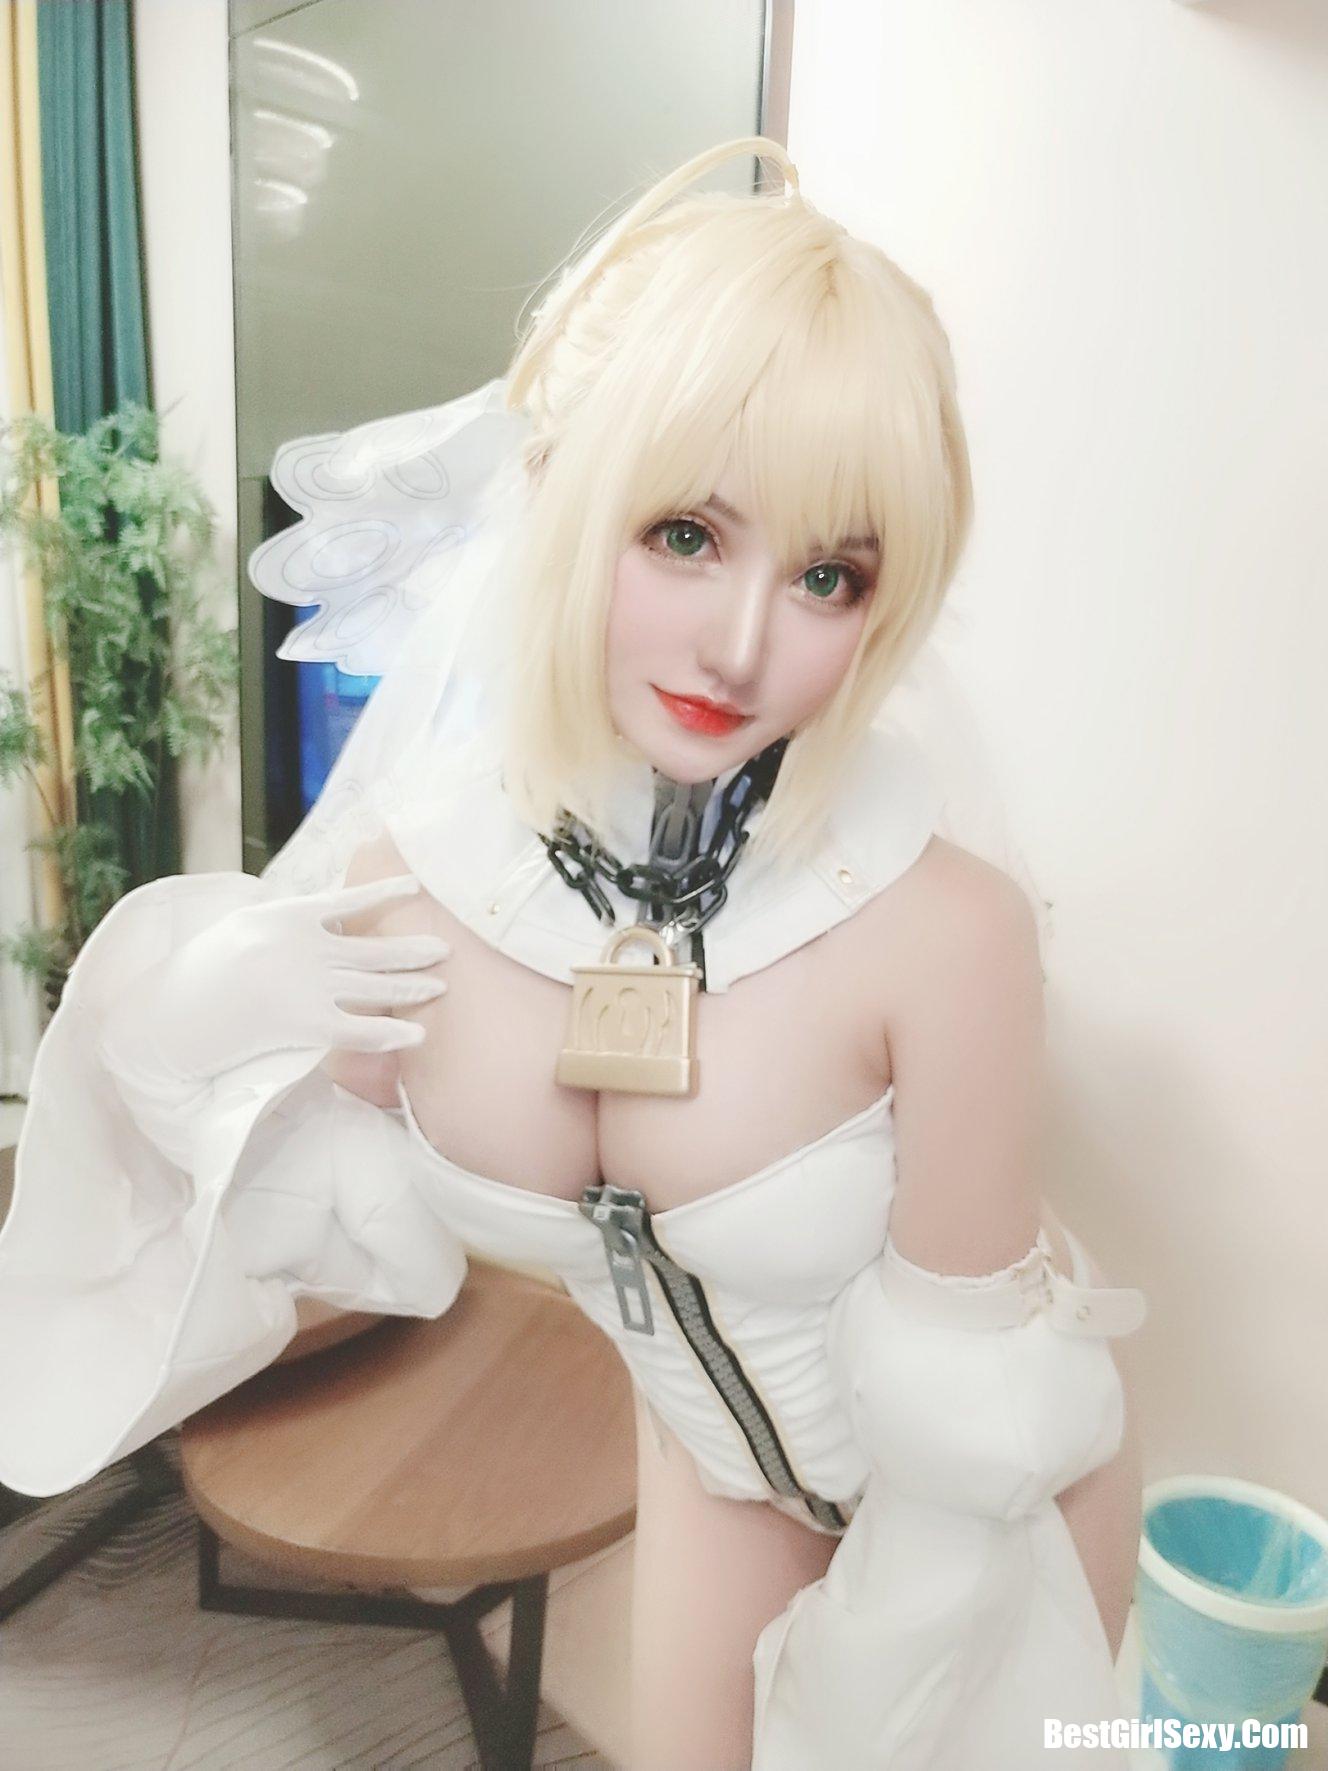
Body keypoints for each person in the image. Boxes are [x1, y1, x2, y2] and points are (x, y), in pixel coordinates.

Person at [0, 138, 1152, 1768]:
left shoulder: (943, 934)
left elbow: (970, 1424)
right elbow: (261, 1241)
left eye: (828, 576)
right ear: (557, 492)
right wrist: (173, 1018)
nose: (740, 646)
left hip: (997, 1515)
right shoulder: (422, 894)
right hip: (718, 1478)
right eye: (684, 533)